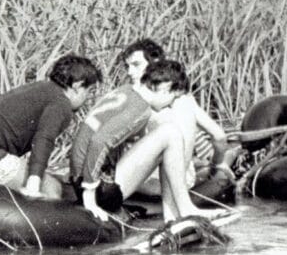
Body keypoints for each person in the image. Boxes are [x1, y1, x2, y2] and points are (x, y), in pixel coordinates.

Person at [69, 58, 218, 222]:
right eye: (173, 98)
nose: (171, 105)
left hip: (80, 179)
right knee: (171, 133)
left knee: (166, 137)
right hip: (99, 191)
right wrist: (89, 195)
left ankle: (172, 215)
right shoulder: (140, 108)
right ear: (164, 87)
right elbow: (99, 141)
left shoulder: (126, 91)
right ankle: (185, 209)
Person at [0, 54, 102, 198]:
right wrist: (33, 183)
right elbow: (44, 140)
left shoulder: (40, 88)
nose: (87, 98)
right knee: (52, 189)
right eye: (89, 91)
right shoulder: (62, 103)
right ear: (77, 86)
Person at [116, 38, 232, 194]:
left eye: (136, 65)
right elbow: (219, 136)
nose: (130, 72)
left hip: (151, 183)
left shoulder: (137, 97)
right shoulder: (184, 97)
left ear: (155, 63)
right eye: (127, 66)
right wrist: (216, 165)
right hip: (183, 181)